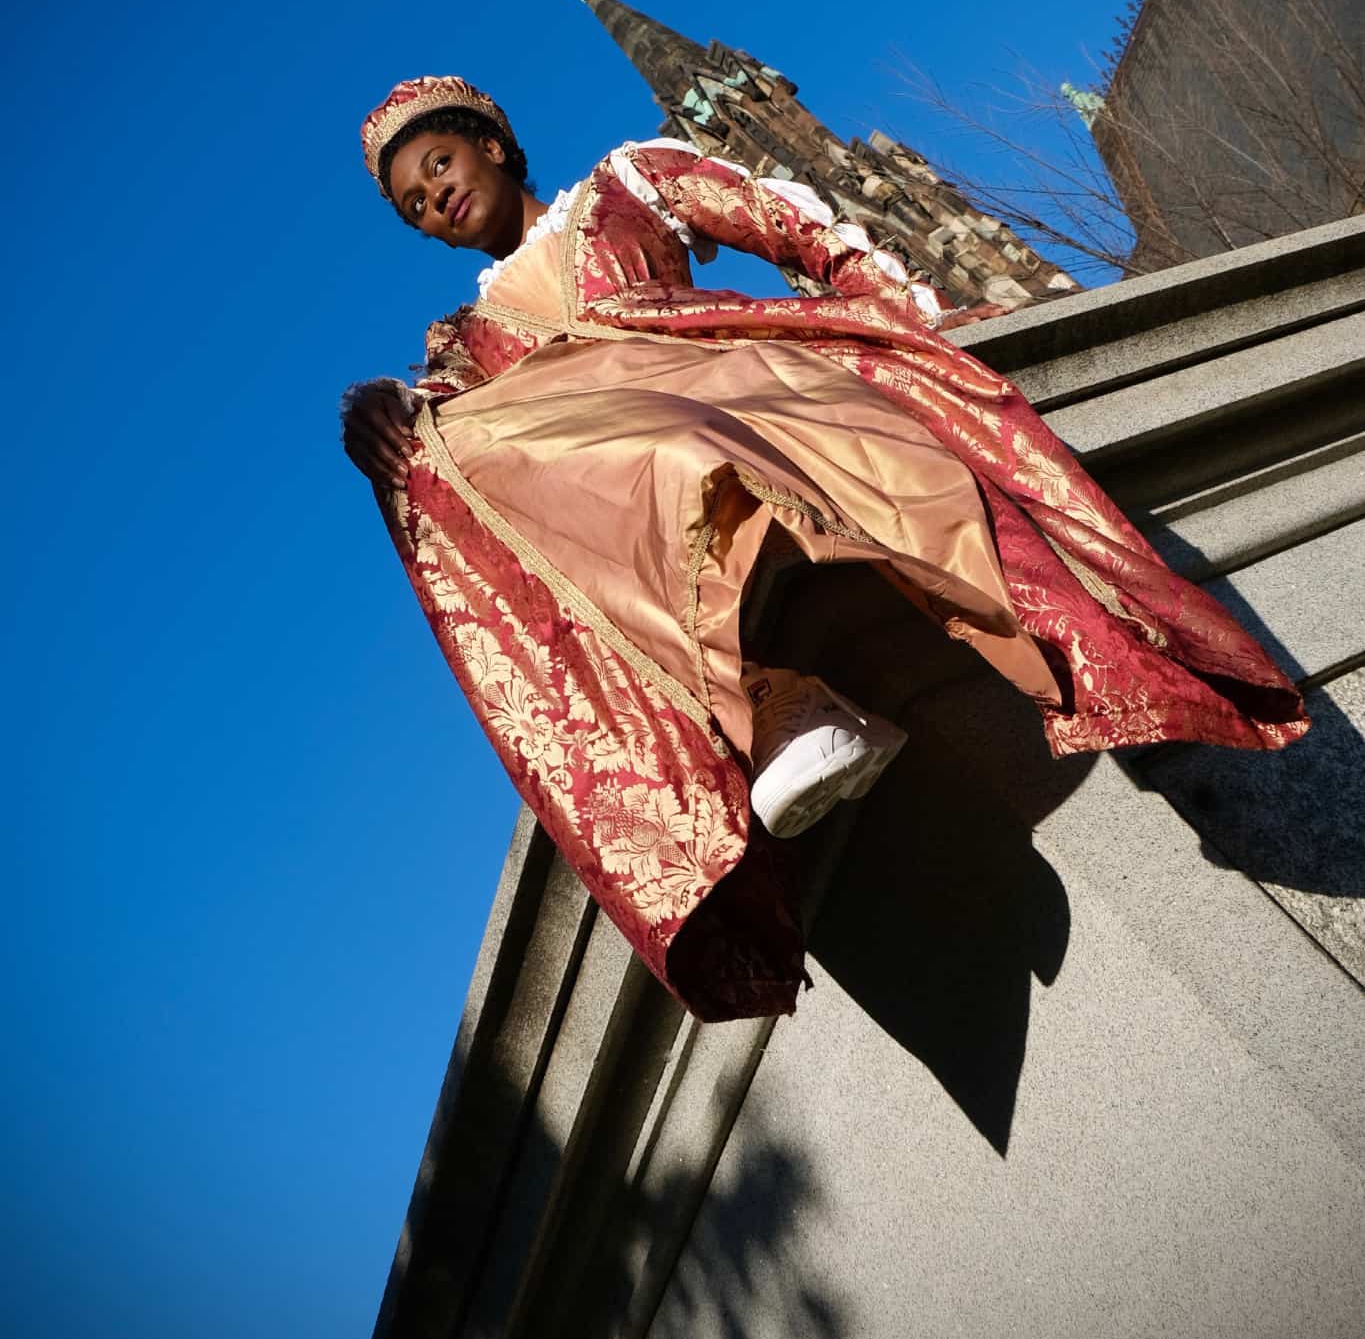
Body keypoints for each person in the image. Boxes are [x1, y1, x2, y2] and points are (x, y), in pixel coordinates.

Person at [342, 75, 1308, 1020]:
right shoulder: (463, 351)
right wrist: (376, 406)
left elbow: (786, 221)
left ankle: (842, 660)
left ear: (493, 146)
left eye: (439, 164)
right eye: (416, 204)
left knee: (676, 447)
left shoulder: (625, 185)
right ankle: (763, 697)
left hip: (724, 389)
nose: (438, 197)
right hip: (614, 487)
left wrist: (903, 316)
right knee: (437, 447)